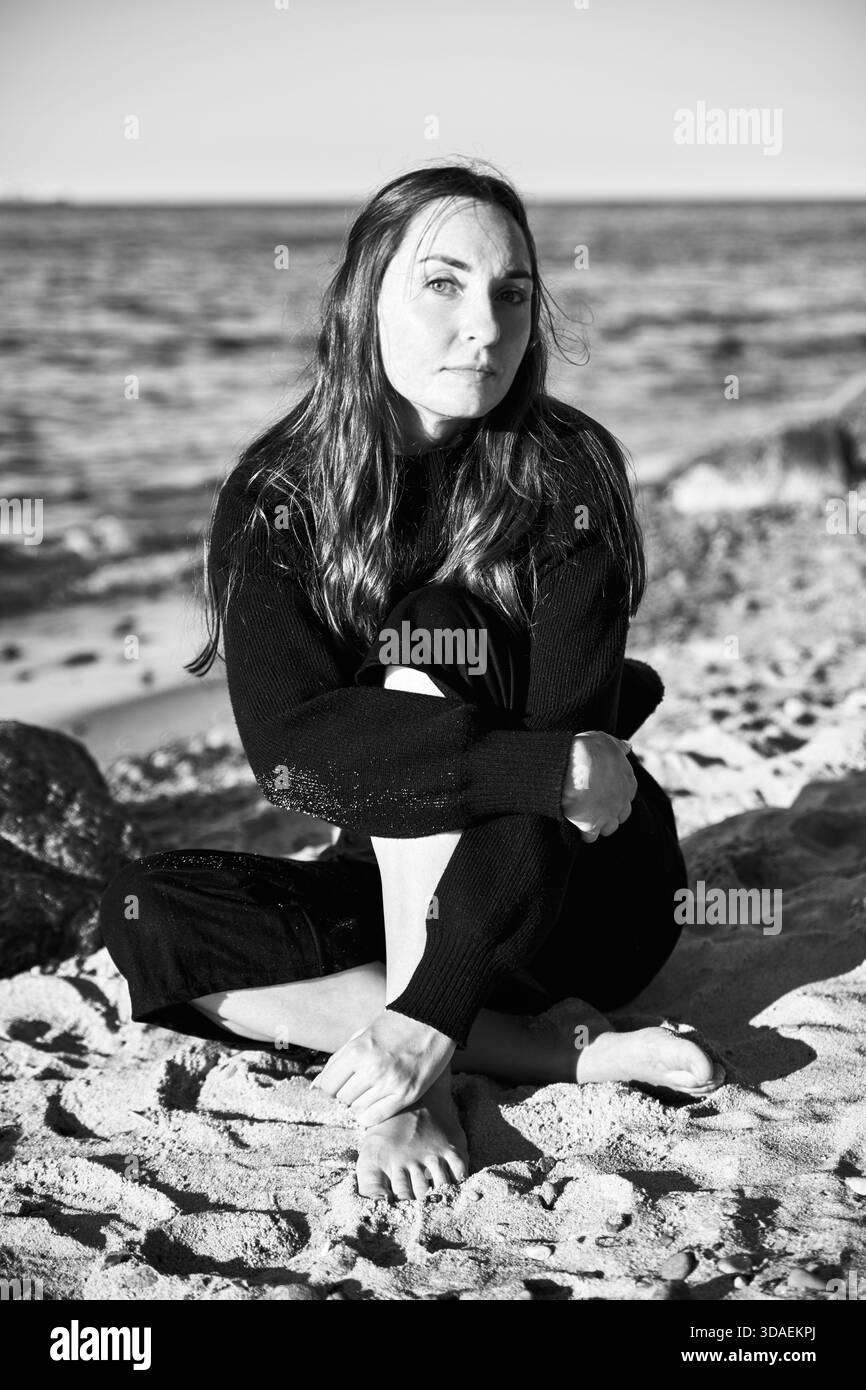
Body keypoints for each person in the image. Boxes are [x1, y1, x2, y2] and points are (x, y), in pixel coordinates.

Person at [99, 161, 724, 1203]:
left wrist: (424, 1023)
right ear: (363, 298)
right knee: (142, 912)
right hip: (400, 872)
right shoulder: (281, 495)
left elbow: (569, 785)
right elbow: (294, 756)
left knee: (433, 634)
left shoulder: (564, 473)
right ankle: (548, 1051)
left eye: (510, 291)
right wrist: (532, 770)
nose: (484, 324)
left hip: (581, 890)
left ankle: (426, 1058)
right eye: (442, 284)